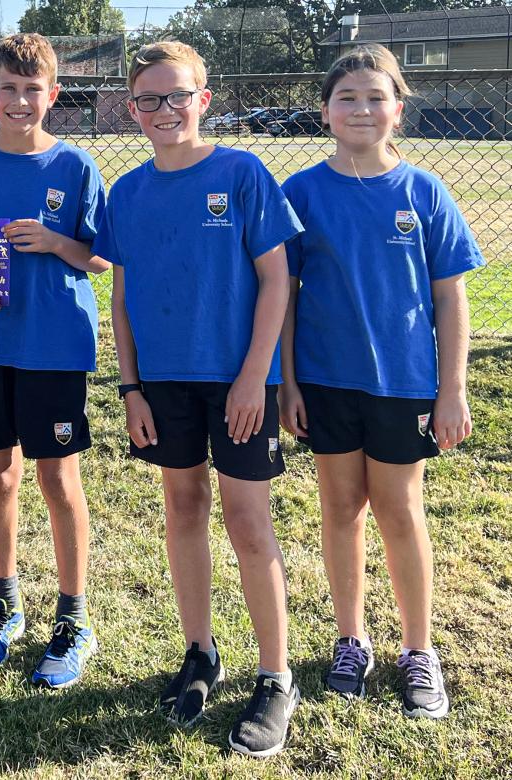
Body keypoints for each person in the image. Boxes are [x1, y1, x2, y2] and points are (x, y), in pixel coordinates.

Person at [93, 41, 303, 757]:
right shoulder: (126, 192)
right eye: (148, 99)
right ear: (132, 108)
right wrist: (130, 389)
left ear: (203, 99)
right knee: (183, 508)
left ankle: (276, 678)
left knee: (248, 523)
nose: (164, 110)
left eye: (177, 95)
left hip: (238, 379)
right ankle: (200, 652)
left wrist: (255, 376)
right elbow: (120, 301)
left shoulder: (241, 172)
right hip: (163, 382)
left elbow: (277, 281)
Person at [279, 43, 484, 720]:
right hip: (326, 383)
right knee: (340, 509)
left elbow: (452, 299)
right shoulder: (302, 193)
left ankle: (419, 650)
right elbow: (281, 292)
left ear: (398, 108)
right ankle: (350, 640)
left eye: (375, 97)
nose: (361, 109)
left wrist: (451, 390)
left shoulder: (424, 192)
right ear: (324, 111)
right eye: (347, 98)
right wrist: (288, 381)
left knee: (398, 509)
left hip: (404, 385)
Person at [0, 32, 108, 689]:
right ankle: (5, 598)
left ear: (52, 95)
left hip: (55, 346)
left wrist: (57, 242)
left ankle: (73, 614)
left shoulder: (75, 169)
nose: (19, 100)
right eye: (7, 88)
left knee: (57, 479)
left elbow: (99, 256)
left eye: (32, 89)